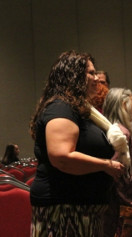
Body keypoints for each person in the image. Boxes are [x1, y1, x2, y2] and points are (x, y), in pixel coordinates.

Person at [29, 50, 124, 237]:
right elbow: (62, 157)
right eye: (91, 73)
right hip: (64, 210)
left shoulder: (78, 109)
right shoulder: (61, 107)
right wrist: (106, 165)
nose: (96, 78)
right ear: (73, 76)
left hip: (80, 209)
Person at [103, 88, 132, 237]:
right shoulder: (122, 134)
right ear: (123, 105)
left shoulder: (114, 131)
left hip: (118, 206)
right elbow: (115, 171)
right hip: (123, 207)